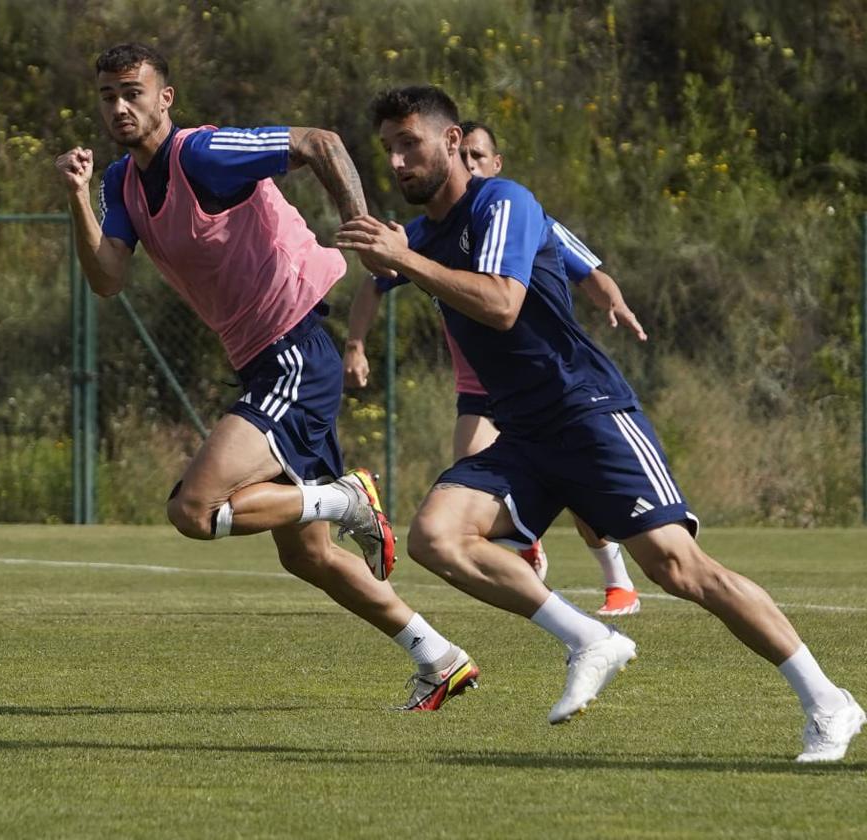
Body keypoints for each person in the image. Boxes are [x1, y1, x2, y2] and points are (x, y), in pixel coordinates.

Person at [335, 85, 863, 760]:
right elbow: (376, 272)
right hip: (523, 433)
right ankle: (589, 637)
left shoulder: (503, 202)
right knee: (436, 536)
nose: (398, 161)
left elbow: (500, 304)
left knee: (680, 569)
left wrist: (404, 258)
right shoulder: (424, 234)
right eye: (388, 149)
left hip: (588, 414)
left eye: (409, 143)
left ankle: (828, 701)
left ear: (451, 140)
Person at [55, 45, 479, 710]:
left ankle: (345, 500)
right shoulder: (123, 184)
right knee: (307, 557)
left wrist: (359, 226)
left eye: (133, 92)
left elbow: (320, 142)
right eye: (108, 95)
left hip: (295, 350)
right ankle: (439, 657)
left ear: (165, 98)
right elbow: (107, 279)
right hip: (262, 358)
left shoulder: (203, 153)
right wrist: (78, 198)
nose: (119, 106)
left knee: (193, 510)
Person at [343, 119, 646, 617]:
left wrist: (611, 298)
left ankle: (617, 581)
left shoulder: (516, 211)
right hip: (480, 390)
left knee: (578, 488)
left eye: (480, 157)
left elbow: (586, 269)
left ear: (491, 162)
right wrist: (355, 344)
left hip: (547, 385)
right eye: (469, 157)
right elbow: (376, 283)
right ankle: (530, 561)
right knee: (472, 484)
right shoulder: (430, 232)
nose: (472, 165)